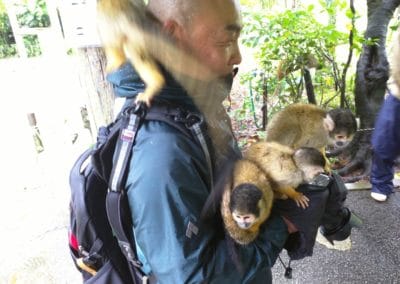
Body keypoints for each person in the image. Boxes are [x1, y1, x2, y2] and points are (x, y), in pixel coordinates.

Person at [106, 0, 356, 282]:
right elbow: (193, 277)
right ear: (173, 36)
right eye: (226, 42)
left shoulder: (194, 105)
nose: (237, 56)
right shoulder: (163, 154)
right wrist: (281, 225)